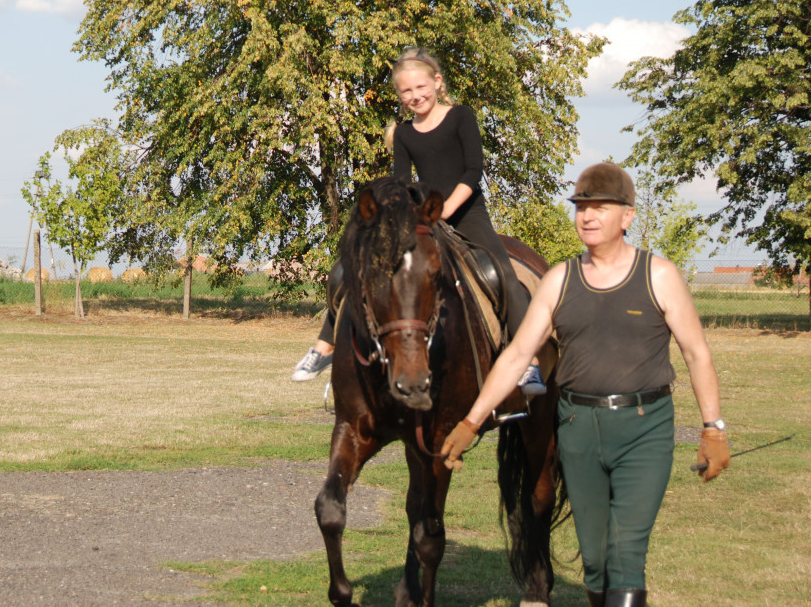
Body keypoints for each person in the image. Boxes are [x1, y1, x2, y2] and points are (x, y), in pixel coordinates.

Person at [439, 162, 731, 607]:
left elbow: (697, 353)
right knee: (594, 560)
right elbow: (518, 355)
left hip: (644, 428)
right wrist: (471, 421)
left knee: (625, 553)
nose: (588, 216)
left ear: (627, 216)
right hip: (577, 428)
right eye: (581, 207)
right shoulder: (559, 280)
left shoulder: (659, 276)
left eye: (599, 207)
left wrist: (713, 427)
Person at [292, 47, 545, 396]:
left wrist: (444, 210)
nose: (415, 96)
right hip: (423, 218)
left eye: (421, 87)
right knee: (359, 265)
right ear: (400, 96)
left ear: (437, 83)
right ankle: (325, 345)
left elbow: (473, 172)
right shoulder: (405, 134)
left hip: (467, 213)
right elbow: (401, 184)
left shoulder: (461, 117)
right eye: (406, 92)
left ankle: (528, 362)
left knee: (502, 273)